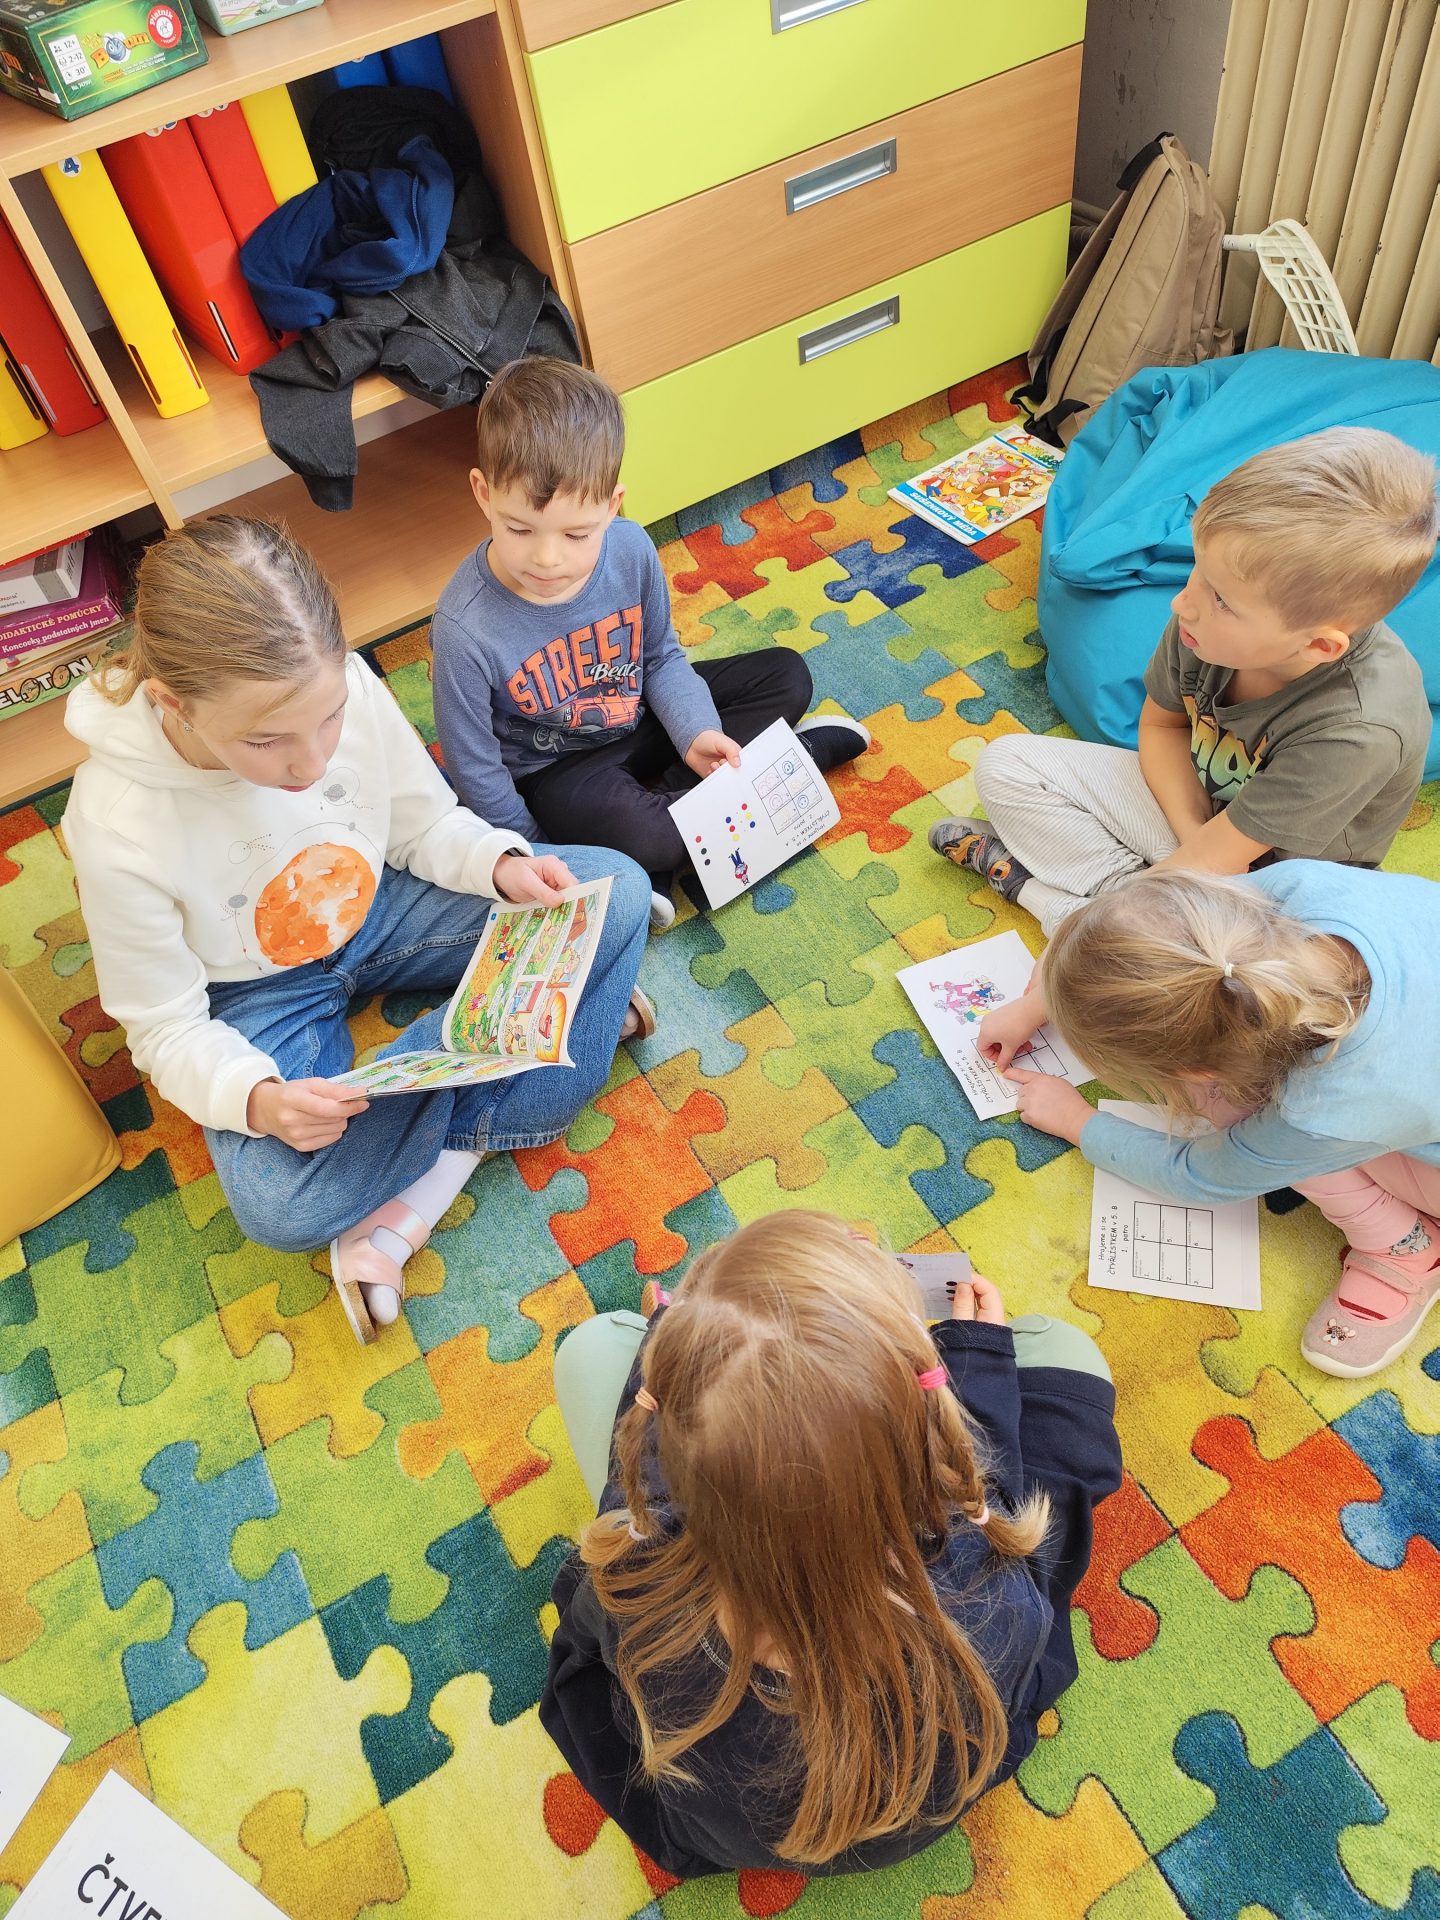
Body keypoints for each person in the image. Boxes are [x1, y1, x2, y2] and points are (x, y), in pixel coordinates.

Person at [62, 517, 651, 1344]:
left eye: (330, 718)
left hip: (382, 905)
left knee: (616, 888)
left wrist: (496, 864)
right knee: (280, 1205)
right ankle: (540, 1039)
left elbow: (422, 826)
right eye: (266, 740)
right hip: (254, 991)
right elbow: (164, 1027)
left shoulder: (348, 682)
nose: (310, 764)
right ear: (173, 704)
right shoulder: (116, 821)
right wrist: (258, 1100)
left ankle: (433, 1162)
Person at [541, 1211, 1122, 1877]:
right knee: (1066, 1350)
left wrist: (670, 1347)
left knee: (591, 1346)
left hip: (727, 1826)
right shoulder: (991, 1602)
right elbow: (983, 1501)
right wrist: (978, 1362)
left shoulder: (641, 1593)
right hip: (918, 1790)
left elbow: (636, 1498)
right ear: (932, 1440)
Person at [930, 428, 1438, 936]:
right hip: (1202, 829)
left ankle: (1049, 901)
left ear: (1318, 646)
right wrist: (1190, 840)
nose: (1182, 602)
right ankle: (1117, 907)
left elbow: (1231, 861)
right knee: (1008, 764)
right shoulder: (1203, 622)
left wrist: (1184, 870)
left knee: (1237, 978)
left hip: (1279, 892)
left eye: (1222, 599)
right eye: (1199, 569)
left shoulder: (1359, 729)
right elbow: (1162, 727)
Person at [430, 357, 870, 929]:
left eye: (577, 533)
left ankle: (677, 820)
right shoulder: (463, 627)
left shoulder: (631, 548)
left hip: (641, 715)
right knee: (644, 834)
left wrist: (696, 733)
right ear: (483, 493)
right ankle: (794, 762)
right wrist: (543, 853)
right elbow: (475, 770)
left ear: (612, 506)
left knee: (787, 674)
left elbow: (660, 657)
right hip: (559, 771)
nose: (547, 558)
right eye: (519, 529)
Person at [986, 863, 1440, 1378]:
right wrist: (1037, 1002)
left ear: (1197, 1071)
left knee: (1241, 1110)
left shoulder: (1320, 1108)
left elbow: (1200, 1175)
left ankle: (1403, 1247)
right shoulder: (1290, 889)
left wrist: (1078, 1121)